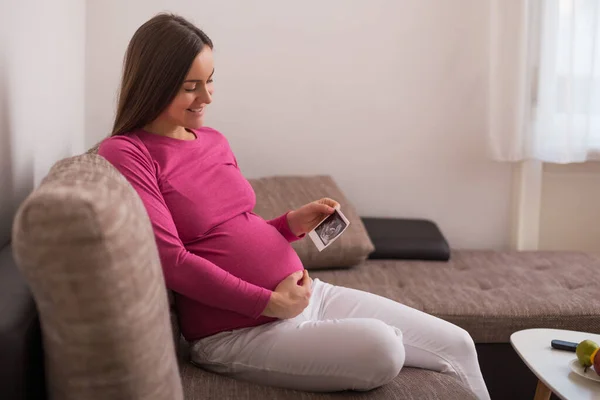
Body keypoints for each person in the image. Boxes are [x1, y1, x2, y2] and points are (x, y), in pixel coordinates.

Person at [98, 13, 490, 399]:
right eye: (190, 87)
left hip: (308, 294)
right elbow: (172, 260)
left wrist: (289, 224)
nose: (207, 97)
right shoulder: (128, 152)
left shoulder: (213, 139)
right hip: (237, 332)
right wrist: (270, 302)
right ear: (155, 84)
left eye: (211, 80)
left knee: (458, 342)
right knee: (384, 349)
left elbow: (235, 227)